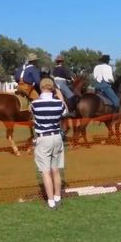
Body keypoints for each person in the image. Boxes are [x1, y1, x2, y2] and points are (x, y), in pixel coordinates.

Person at [30, 77, 68, 210]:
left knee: (45, 172)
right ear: (53, 88)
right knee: (56, 170)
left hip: (43, 138)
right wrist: (61, 96)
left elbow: (34, 117)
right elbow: (65, 111)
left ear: (41, 88)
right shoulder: (59, 104)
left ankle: (51, 202)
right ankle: (57, 197)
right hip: (57, 137)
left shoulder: (34, 104)